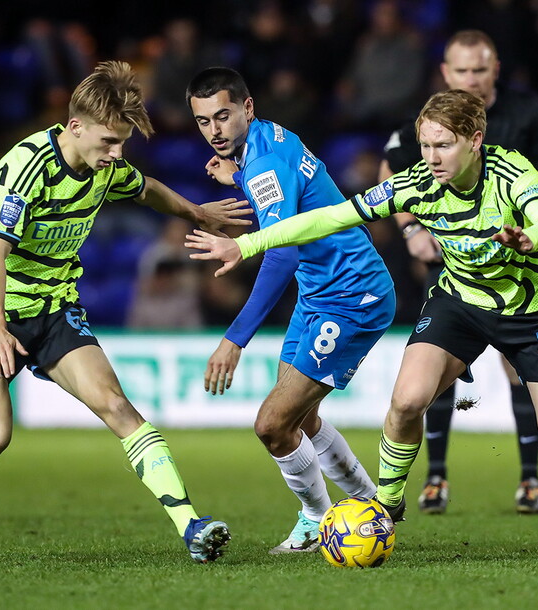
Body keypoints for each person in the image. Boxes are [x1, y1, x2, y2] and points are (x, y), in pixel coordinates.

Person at [187, 89, 538, 558]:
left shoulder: (511, 172)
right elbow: (329, 218)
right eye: (425, 145)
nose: (432, 157)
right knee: (406, 401)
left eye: (444, 145)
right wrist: (246, 244)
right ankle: (385, 506)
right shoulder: (414, 183)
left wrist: (531, 238)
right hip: (460, 303)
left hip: (533, 312)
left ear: (475, 140)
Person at [0, 61, 251, 563]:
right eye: (109, 142)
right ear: (75, 127)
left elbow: (147, 188)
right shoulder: (26, 167)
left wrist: (198, 213)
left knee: (117, 406)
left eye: (122, 144)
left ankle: (191, 527)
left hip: (55, 307)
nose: (116, 155)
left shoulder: (104, 167)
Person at [185, 67, 396, 554]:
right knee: (301, 420)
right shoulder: (266, 141)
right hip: (319, 292)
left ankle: (317, 521)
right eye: (203, 121)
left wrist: (234, 340)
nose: (214, 131)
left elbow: (282, 254)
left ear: (247, 107)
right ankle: (373, 505)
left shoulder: (263, 164)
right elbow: (291, 202)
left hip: (352, 294)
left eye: (223, 116)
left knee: (273, 425)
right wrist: (238, 176)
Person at [379, 30, 538, 515]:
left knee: (516, 370)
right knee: (436, 370)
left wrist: (513, 208)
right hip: (452, 264)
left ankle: (530, 480)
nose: (471, 78)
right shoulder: (430, 120)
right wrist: (411, 230)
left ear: (495, 69)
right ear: (445, 72)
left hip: (515, 265)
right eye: (461, 70)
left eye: (479, 69)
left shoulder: (526, 113)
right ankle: (435, 478)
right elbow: (390, 174)